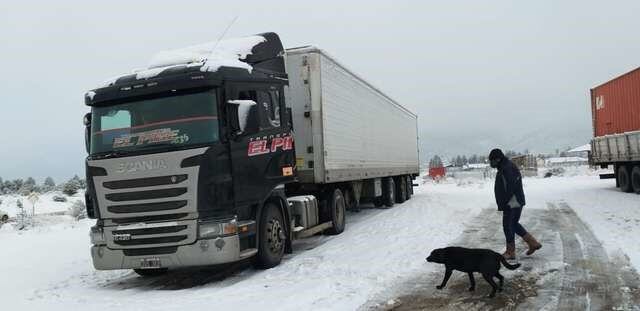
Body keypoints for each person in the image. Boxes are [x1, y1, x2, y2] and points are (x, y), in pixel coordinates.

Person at [489, 148, 542, 260]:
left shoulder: (506, 168)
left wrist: (505, 202)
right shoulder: (505, 166)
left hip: (512, 202)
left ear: (498, 159)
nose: (491, 163)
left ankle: (510, 252)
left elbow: (510, 187)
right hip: (514, 201)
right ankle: (533, 243)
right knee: (513, 224)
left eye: (492, 161)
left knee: (507, 226)